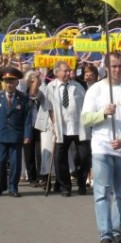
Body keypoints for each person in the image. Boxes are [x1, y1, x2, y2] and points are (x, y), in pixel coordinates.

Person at [81, 52, 121, 243]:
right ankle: (104, 233)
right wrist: (103, 114)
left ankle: (116, 230)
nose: (117, 70)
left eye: (120, 66)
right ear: (106, 67)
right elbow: (86, 119)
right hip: (102, 148)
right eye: (113, 66)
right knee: (102, 192)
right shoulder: (95, 91)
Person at [44, 61, 88, 196]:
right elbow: (49, 108)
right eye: (65, 71)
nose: (68, 73)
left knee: (85, 157)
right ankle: (65, 186)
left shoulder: (78, 86)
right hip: (61, 128)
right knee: (59, 158)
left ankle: (82, 183)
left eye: (69, 71)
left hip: (78, 127)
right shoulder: (51, 87)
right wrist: (54, 125)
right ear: (57, 72)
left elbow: (86, 105)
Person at [0, 67, 33, 197]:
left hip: (16, 135)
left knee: (15, 162)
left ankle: (13, 186)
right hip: (1, 134)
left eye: (11, 82)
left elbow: (27, 118)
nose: (9, 85)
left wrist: (27, 135)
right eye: (6, 82)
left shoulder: (23, 98)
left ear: (16, 83)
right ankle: (2, 183)